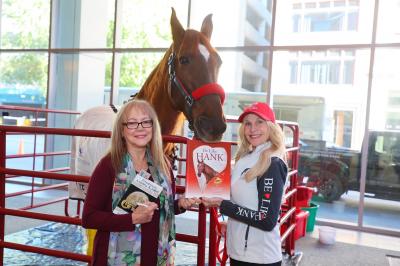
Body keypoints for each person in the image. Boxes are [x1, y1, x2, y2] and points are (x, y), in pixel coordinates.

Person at [82, 99, 200, 266]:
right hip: (116, 258)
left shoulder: (163, 165)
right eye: (132, 123)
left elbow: (161, 208)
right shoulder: (109, 166)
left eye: (146, 122)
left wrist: (180, 204)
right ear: (122, 130)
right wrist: (131, 219)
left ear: (153, 127)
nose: (140, 128)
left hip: (157, 256)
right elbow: (89, 218)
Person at [202, 102, 288, 266]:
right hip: (239, 252)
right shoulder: (245, 157)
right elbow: (245, 203)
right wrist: (233, 223)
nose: (252, 128)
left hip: (259, 258)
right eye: (248, 123)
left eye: (259, 122)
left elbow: (266, 220)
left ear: (270, 126)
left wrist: (223, 205)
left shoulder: (273, 163)